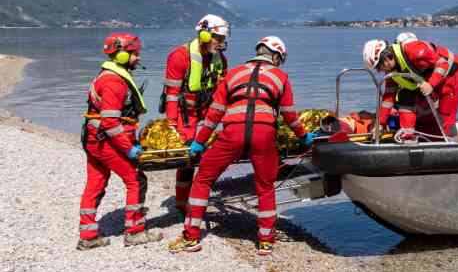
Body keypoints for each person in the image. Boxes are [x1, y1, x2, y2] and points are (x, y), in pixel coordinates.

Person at [168, 36, 315, 256]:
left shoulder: (233, 73)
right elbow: (289, 115)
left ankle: (191, 237)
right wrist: (304, 137)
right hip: (264, 135)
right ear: (275, 55)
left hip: (232, 133)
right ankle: (265, 241)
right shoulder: (280, 76)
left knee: (203, 179)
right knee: (265, 186)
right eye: (279, 59)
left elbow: (214, 114)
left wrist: (199, 143)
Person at [78, 33, 163, 249]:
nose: (138, 59)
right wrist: (130, 150)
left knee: (95, 182)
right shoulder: (115, 81)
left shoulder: (106, 75)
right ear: (122, 55)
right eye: (135, 54)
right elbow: (110, 123)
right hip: (107, 141)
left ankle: (87, 236)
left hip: (93, 140)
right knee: (136, 179)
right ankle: (134, 232)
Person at [160, 14, 229, 215]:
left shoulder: (220, 59)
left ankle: (201, 193)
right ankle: (182, 203)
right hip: (186, 113)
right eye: (218, 38)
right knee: (187, 159)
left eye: (223, 39)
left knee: (218, 150)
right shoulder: (179, 56)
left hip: (208, 110)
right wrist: (171, 124)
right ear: (205, 35)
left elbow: (224, 91)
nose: (221, 43)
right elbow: (172, 95)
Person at [362, 32, 458, 141]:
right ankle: (408, 136)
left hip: (453, 74)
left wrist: (431, 84)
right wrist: (380, 123)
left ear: (386, 56)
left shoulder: (414, 50)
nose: (381, 70)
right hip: (430, 80)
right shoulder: (391, 72)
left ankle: (453, 144)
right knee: (404, 96)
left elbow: (442, 64)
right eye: (378, 69)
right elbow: (388, 98)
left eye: (380, 66)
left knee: (446, 114)